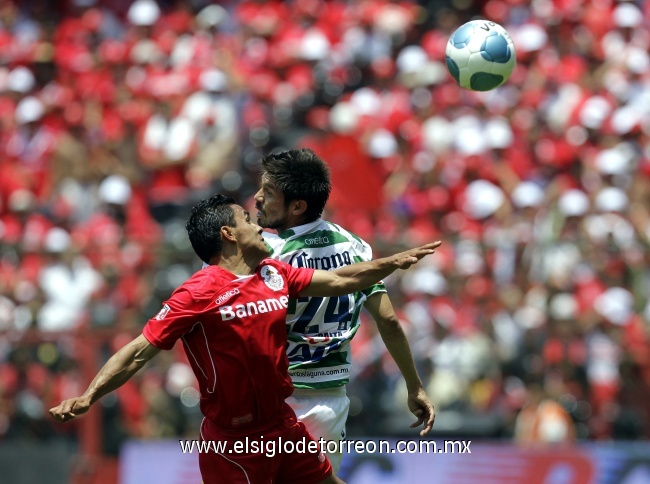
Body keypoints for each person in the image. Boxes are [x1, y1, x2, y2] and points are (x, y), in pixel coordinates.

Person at [50, 193, 442, 484]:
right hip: (233, 442)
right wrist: (89, 396)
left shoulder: (273, 273)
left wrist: (390, 262)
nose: (258, 223)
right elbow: (137, 352)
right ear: (229, 234)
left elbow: (340, 280)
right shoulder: (197, 292)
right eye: (245, 219)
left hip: (282, 426)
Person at [254, 148, 436, 471]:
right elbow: (389, 321)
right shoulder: (355, 246)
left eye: (268, 192)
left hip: (277, 397)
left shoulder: (269, 254)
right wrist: (414, 386)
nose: (257, 199)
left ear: (297, 206)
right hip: (332, 400)